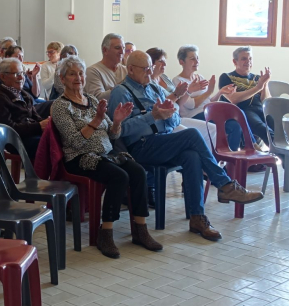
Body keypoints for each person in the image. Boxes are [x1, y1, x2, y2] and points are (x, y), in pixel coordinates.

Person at [108, 50, 264, 242]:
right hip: (139, 147)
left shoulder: (154, 88)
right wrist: (152, 116)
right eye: (145, 69)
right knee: (191, 134)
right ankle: (224, 184)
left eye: (151, 68)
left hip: (162, 140)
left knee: (192, 155)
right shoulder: (121, 92)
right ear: (131, 69)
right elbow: (119, 130)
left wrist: (167, 116)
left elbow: (176, 117)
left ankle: (197, 217)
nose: (149, 73)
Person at [51, 56, 161, 259]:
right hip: (80, 157)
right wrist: (96, 121)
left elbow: (113, 135)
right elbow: (75, 142)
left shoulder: (92, 101)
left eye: (81, 73)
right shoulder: (60, 106)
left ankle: (140, 229)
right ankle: (106, 232)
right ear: (63, 78)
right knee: (119, 176)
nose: (78, 78)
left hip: (106, 154)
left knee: (138, 172)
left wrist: (117, 122)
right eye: (72, 74)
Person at [173, 45, 244, 151]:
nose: (197, 61)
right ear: (181, 62)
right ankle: (220, 156)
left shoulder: (200, 77)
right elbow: (191, 105)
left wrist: (220, 92)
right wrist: (208, 92)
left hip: (208, 112)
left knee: (235, 125)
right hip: (194, 116)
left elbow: (209, 101)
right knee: (225, 125)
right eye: (192, 59)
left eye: (197, 58)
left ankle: (230, 158)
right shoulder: (178, 81)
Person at [148, 47, 217, 150]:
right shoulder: (149, 83)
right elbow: (169, 103)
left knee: (214, 129)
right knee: (195, 135)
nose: (165, 64)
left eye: (165, 61)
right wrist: (189, 91)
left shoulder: (165, 78)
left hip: (177, 116)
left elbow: (179, 101)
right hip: (168, 120)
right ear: (151, 64)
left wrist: (218, 92)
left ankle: (215, 158)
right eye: (161, 61)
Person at [0, 58, 47, 160]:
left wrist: (46, 124)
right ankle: (42, 170)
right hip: (14, 141)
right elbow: (9, 129)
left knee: (58, 137)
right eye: (16, 74)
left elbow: (36, 117)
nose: (21, 77)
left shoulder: (24, 95)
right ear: (3, 77)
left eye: (22, 73)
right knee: (45, 144)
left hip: (30, 134)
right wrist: (38, 126)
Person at [219, 47, 273, 146]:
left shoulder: (257, 78)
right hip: (243, 111)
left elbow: (266, 100)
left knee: (277, 126)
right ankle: (282, 153)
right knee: (264, 129)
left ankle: (286, 153)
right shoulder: (226, 77)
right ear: (235, 61)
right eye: (244, 59)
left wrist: (265, 84)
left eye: (250, 58)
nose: (248, 61)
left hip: (260, 109)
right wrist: (258, 87)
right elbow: (233, 99)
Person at [85, 34, 127, 101]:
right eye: (117, 48)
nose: (122, 52)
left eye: (123, 48)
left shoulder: (127, 70)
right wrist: (125, 85)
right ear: (105, 50)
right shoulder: (92, 71)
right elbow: (97, 99)